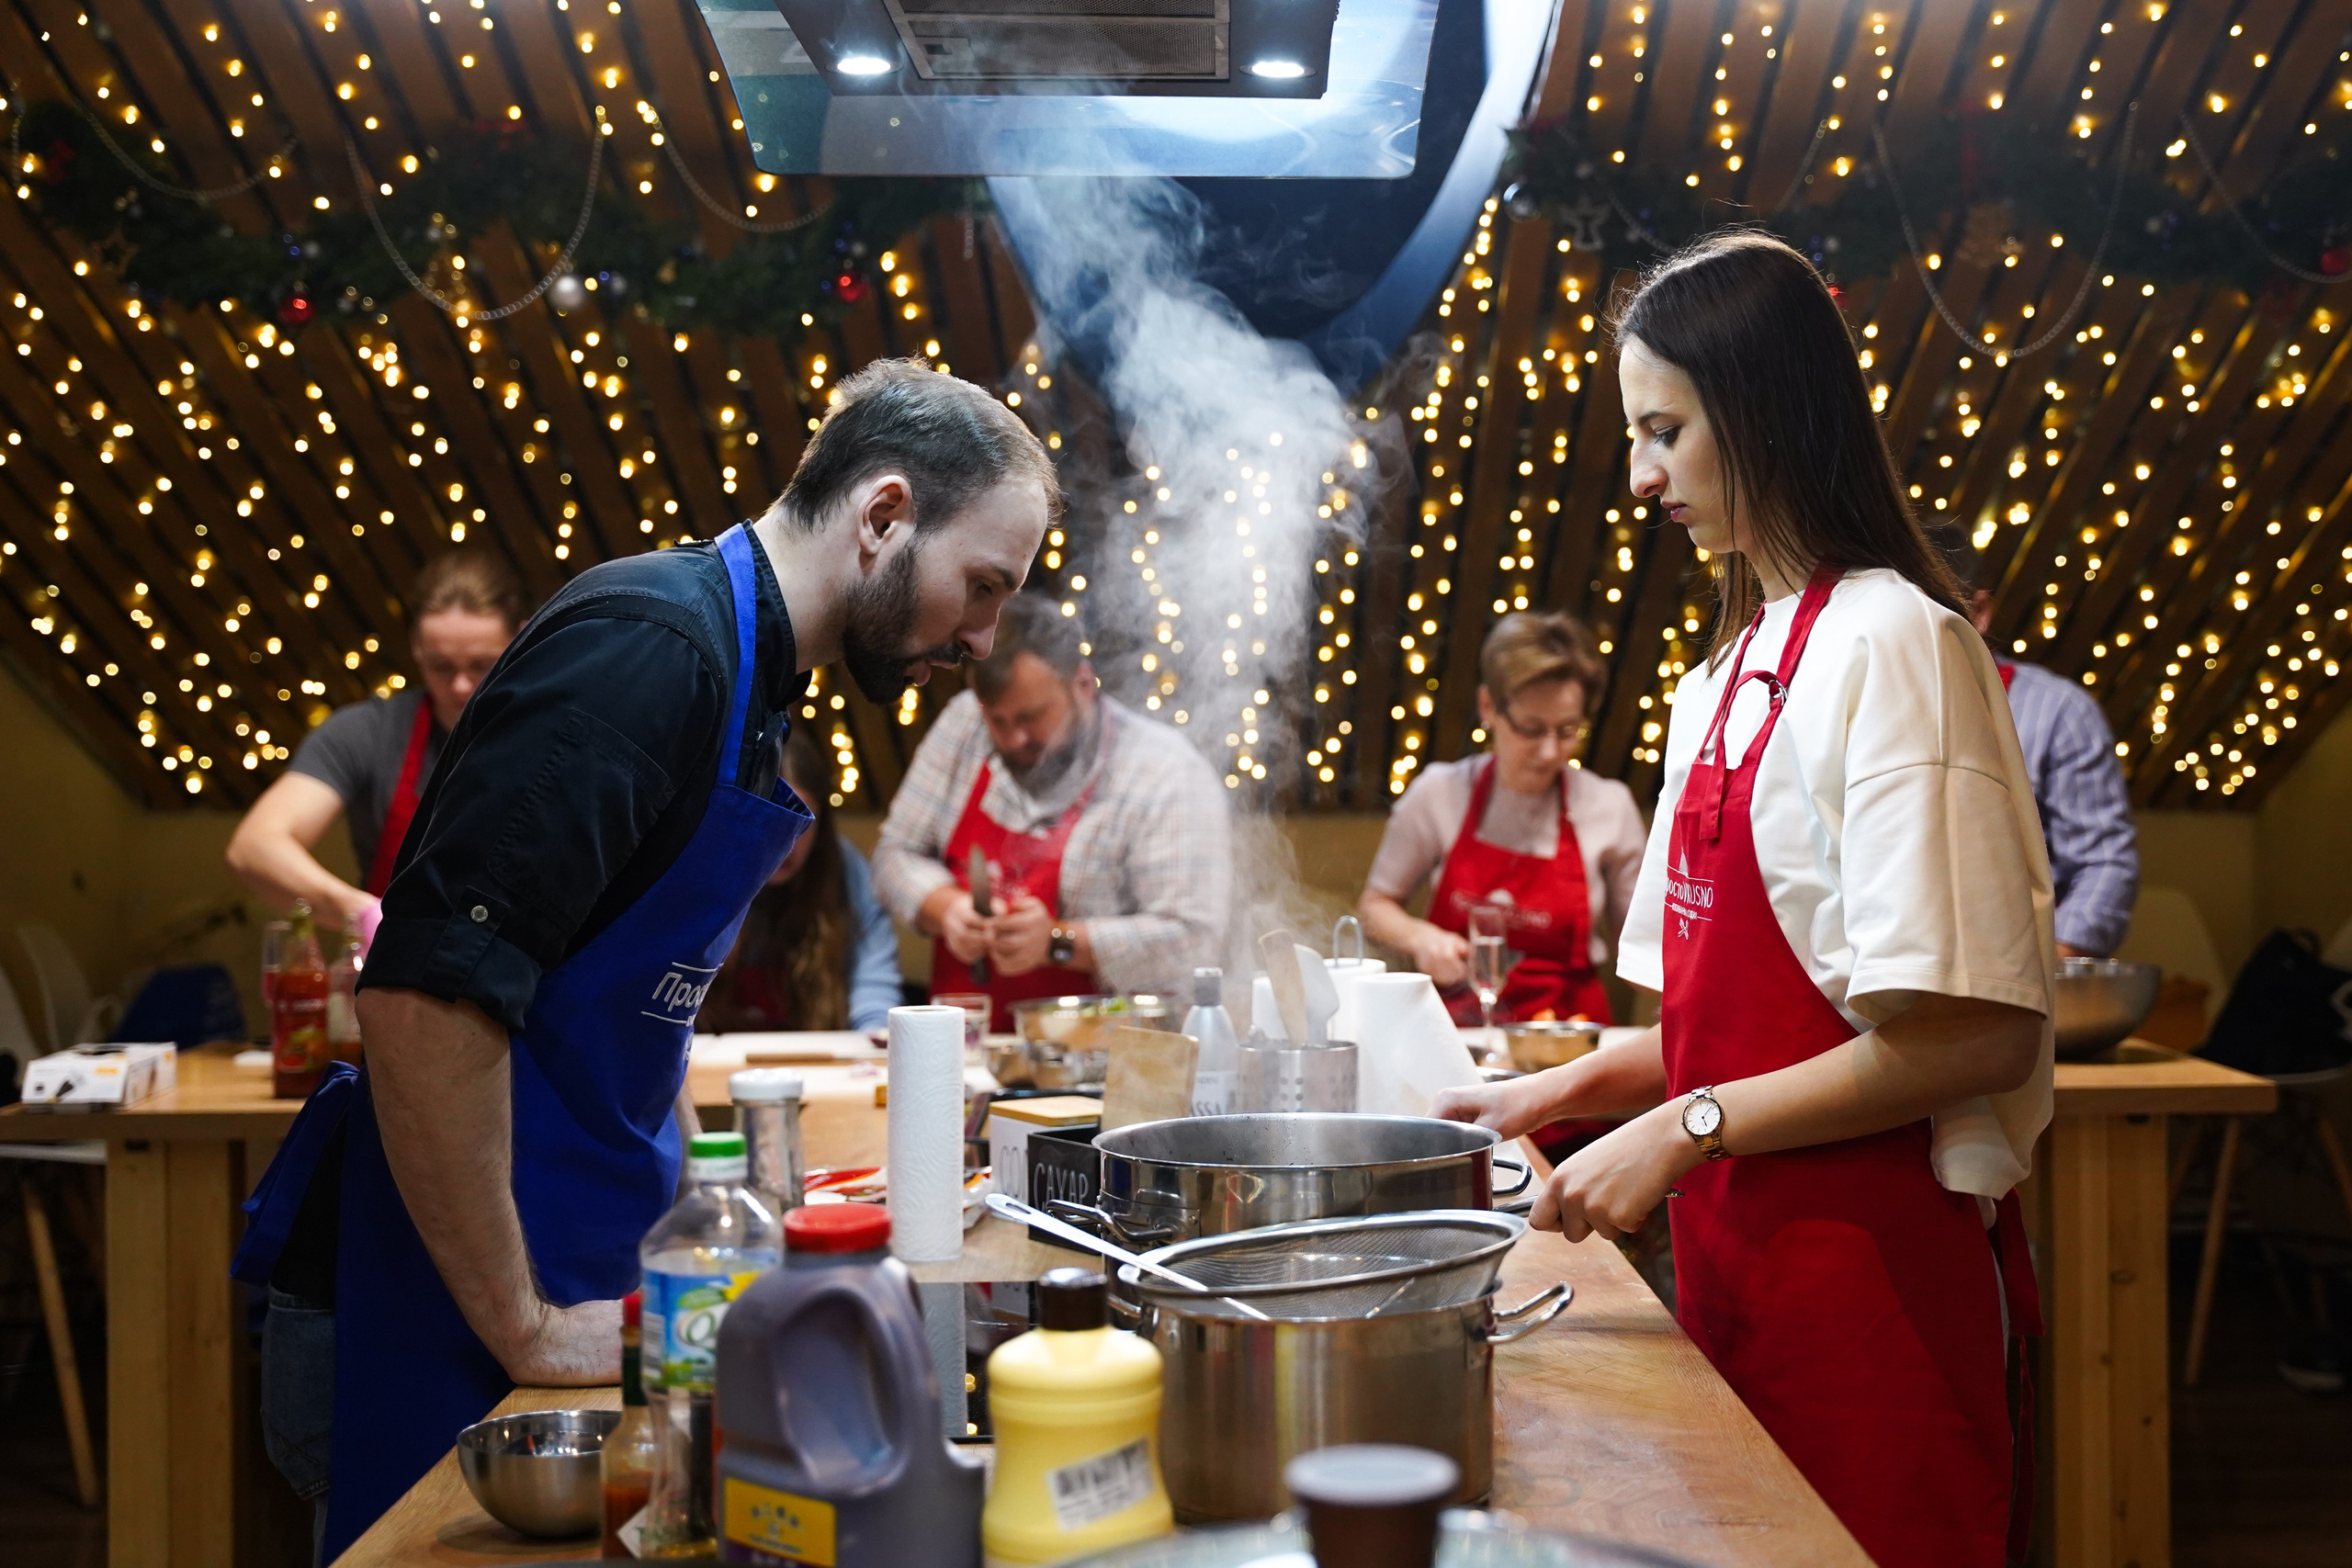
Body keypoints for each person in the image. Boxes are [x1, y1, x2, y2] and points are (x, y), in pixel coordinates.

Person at [232, 359, 1057, 1560]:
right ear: (884, 516)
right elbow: (419, 996)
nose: (983, 636)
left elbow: (633, 994)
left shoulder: (753, 685)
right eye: (982, 586)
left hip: (585, 1261)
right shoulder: (649, 653)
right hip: (452, 1300)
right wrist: (522, 1320)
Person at [1433, 233, 2054, 1568]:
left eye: (1666, 428)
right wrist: (1552, 1091)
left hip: (1871, 1289)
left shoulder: (1900, 641)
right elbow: (1731, 1026)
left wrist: (1680, 1131)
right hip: (1730, 1271)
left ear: (1762, 409)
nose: (1643, 473)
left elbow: (1975, 1034)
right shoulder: (1724, 675)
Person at [873, 592, 1230, 1030]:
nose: (1014, 739)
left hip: (1100, 1064)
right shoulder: (964, 723)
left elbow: (1193, 941)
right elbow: (894, 855)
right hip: (961, 1049)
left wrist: (1059, 942)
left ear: (1083, 684)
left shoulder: (1163, 772)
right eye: (998, 721)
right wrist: (948, 909)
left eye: (1032, 717)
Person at [1357, 611, 1645, 1026]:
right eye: (1530, 728)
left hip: (1565, 1041)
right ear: (1488, 707)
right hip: (1455, 1034)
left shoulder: (1608, 806)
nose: (1550, 752)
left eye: (1567, 730)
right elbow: (1374, 906)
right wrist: (1421, 937)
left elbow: (1642, 950)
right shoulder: (1440, 792)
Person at [226, 549, 527, 941]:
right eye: (441, 666)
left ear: (521, 640)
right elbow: (253, 847)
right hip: (392, 975)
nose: (460, 686)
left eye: (481, 665)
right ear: (417, 646)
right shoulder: (369, 732)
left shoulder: (555, 733)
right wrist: (366, 915)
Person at [1951, 547, 2139, 957]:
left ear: (1979, 612)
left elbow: (2104, 862)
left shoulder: (2059, 712)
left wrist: (2053, 963)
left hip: (2021, 967)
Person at [700, 728, 903, 1032]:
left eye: (804, 824)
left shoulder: (846, 872)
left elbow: (873, 983)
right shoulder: (705, 866)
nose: (787, 844)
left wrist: (875, 1038)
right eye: (774, 823)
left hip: (813, 1063)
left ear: (823, 826)